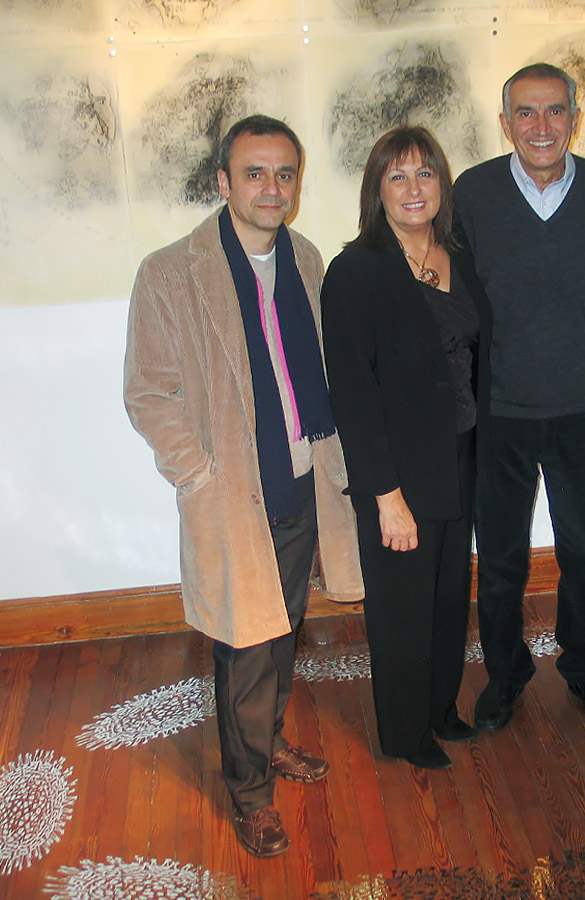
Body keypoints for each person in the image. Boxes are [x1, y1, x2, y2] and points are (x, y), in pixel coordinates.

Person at [124, 115, 363, 856]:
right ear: (224, 181)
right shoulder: (171, 272)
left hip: (301, 478)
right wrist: (198, 473)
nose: (272, 187)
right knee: (245, 644)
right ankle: (250, 792)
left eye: (284, 173)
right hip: (233, 490)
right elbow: (148, 393)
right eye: (255, 173)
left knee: (281, 630)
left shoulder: (305, 258)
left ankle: (267, 740)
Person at [454, 64, 585, 732]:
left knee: (582, 552)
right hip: (498, 411)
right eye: (525, 113)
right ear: (505, 123)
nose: (541, 126)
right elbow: (449, 299)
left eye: (555, 111)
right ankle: (506, 675)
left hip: (582, 408)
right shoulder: (472, 193)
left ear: (575, 119)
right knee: (501, 558)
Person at [322, 127, 492, 770]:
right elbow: (353, 397)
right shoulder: (355, 271)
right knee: (402, 607)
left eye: (425, 174)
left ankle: (441, 709)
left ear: (441, 184)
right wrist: (385, 496)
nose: (414, 188)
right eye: (397, 176)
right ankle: (405, 733)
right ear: (377, 190)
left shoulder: (458, 255)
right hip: (399, 473)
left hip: (460, 457)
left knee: (447, 596)